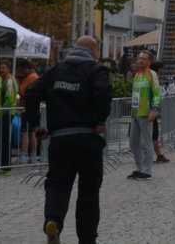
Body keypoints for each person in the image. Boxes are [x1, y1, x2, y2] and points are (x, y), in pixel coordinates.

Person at [24, 36, 112, 244]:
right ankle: (87, 238)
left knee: (58, 185)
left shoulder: (53, 72)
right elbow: (102, 92)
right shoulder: (95, 70)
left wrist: (36, 124)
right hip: (88, 138)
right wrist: (100, 119)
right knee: (88, 191)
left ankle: (53, 220)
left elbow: (30, 94)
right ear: (93, 49)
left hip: (61, 140)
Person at [126, 53, 161, 180]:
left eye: (143, 59)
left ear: (149, 62)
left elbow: (157, 92)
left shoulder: (152, 74)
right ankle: (139, 168)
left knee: (146, 142)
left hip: (146, 112)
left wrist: (154, 109)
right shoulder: (137, 75)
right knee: (133, 142)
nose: (140, 61)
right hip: (136, 112)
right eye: (139, 58)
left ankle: (147, 171)